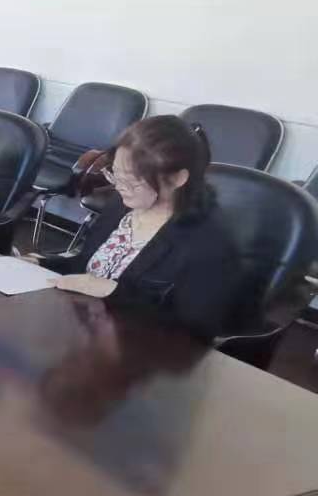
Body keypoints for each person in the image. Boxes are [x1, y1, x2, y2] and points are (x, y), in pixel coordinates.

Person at [37, 116, 240, 340]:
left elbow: (193, 331)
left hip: (142, 348)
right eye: (114, 174)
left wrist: (113, 292)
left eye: (132, 181)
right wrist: (40, 263)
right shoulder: (123, 205)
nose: (119, 187)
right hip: (86, 327)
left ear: (177, 179)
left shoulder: (208, 243)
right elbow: (87, 265)